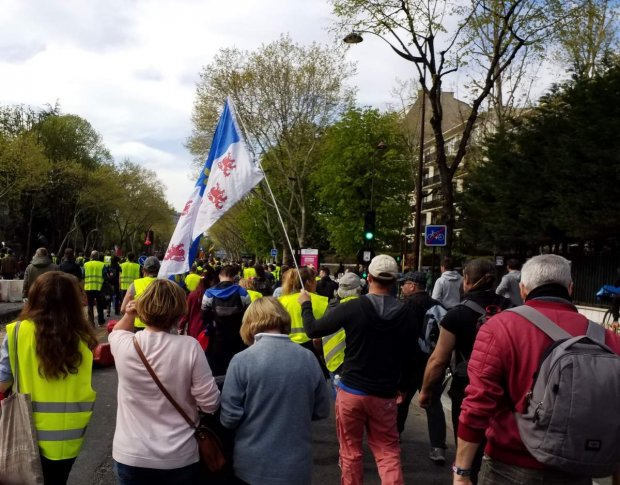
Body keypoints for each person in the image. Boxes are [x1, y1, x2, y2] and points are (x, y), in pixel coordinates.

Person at [453, 254, 620, 485]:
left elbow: (477, 405)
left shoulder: (499, 327)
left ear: (522, 289)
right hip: (578, 470)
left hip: (510, 467)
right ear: (571, 288)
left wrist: (461, 472)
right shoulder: (607, 339)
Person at [299, 255, 419, 485]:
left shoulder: (353, 307)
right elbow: (412, 356)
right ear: (395, 281)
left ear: (369, 278)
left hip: (351, 390)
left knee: (351, 451)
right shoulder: (407, 314)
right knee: (388, 452)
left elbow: (313, 329)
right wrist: (403, 387)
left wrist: (306, 304)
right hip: (385, 393)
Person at [110, 279, 220, 484]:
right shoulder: (190, 347)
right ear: (179, 312)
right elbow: (210, 403)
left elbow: (117, 331)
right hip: (180, 456)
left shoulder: (124, 344)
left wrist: (130, 313)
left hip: (131, 454)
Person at [0, 271, 98, 484]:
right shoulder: (85, 338)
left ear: (34, 298)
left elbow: (3, 382)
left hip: (25, 433)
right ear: (73, 303)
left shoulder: (16, 333)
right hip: (69, 436)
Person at [220, 297, 330, 485]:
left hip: (252, 465)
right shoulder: (308, 358)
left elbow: (229, 418)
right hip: (296, 467)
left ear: (249, 323)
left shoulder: (242, 360)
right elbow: (321, 410)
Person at [420, 258, 511, 483]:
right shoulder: (512, 309)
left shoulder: (457, 315)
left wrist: (426, 389)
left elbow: (438, 360)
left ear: (467, 281)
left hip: (467, 387)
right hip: (506, 389)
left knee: (470, 448)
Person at [397, 271, 448, 465]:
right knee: (433, 404)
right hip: (432, 361)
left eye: (404, 284)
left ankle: (395, 436)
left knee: (401, 399)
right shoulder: (438, 306)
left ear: (412, 286)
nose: (402, 288)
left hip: (409, 363)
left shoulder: (406, 306)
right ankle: (438, 447)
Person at [201, 264, 251, 376]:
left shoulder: (209, 293)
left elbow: (204, 315)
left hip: (216, 337)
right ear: (234, 277)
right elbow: (249, 314)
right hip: (237, 337)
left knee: (217, 369)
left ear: (219, 276)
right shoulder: (242, 292)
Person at [120, 256, 160, 331]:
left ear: (143, 270)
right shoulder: (166, 284)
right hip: (159, 326)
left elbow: (123, 309)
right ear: (159, 270)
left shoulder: (135, 284)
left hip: (139, 326)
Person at [84, 250, 107, 326]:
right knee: (99, 305)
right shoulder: (102, 265)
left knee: (90, 306)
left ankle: (91, 323)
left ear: (91, 256)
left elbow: (83, 276)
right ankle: (101, 322)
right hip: (99, 288)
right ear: (97, 256)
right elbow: (105, 276)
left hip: (88, 288)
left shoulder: (86, 264)